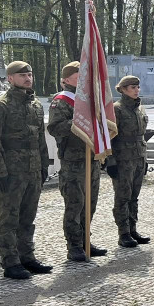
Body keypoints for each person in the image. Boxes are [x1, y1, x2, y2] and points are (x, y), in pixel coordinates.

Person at [0, 60, 54, 280]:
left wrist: (44, 165)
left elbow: (40, 139)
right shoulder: (0, 105)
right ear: (10, 78)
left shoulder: (34, 104)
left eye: (30, 74)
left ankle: (27, 256)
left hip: (32, 170)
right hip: (11, 172)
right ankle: (10, 261)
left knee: (28, 216)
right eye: (22, 75)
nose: (27, 78)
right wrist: (0, 172)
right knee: (8, 218)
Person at [47, 61, 109, 262]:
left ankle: (85, 240)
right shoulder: (62, 100)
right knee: (75, 204)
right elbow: (55, 128)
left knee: (90, 204)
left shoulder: (90, 100)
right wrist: (80, 120)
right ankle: (73, 245)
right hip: (73, 161)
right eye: (78, 74)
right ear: (66, 79)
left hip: (91, 158)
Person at [106, 76, 150, 249]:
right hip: (123, 159)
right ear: (123, 89)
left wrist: (145, 159)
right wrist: (110, 161)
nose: (136, 90)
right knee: (123, 197)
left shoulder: (139, 108)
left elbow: (142, 136)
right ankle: (123, 233)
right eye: (132, 87)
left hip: (139, 157)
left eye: (138, 87)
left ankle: (133, 229)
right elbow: (109, 137)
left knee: (134, 197)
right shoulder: (117, 109)